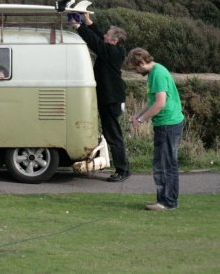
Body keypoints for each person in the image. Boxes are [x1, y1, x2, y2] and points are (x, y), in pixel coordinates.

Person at [73, 12, 130, 182]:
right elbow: (99, 37)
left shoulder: (113, 52)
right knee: (112, 133)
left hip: (111, 100)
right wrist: (88, 21)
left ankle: (122, 170)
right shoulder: (113, 49)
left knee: (113, 135)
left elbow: (96, 42)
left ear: (114, 40)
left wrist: (79, 27)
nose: (105, 35)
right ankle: (123, 167)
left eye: (108, 35)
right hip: (111, 99)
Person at [125, 47, 184, 211]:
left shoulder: (158, 74)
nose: (136, 72)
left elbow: (160, 103)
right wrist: (137, 115)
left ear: (142, 62)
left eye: (136, 68)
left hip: (168, 124)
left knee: (165, 165)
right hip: (165, 124)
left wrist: (141, 120)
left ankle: (167, 202)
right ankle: (166, 201)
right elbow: (152, 102)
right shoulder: (153, 73)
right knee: (164, 164)